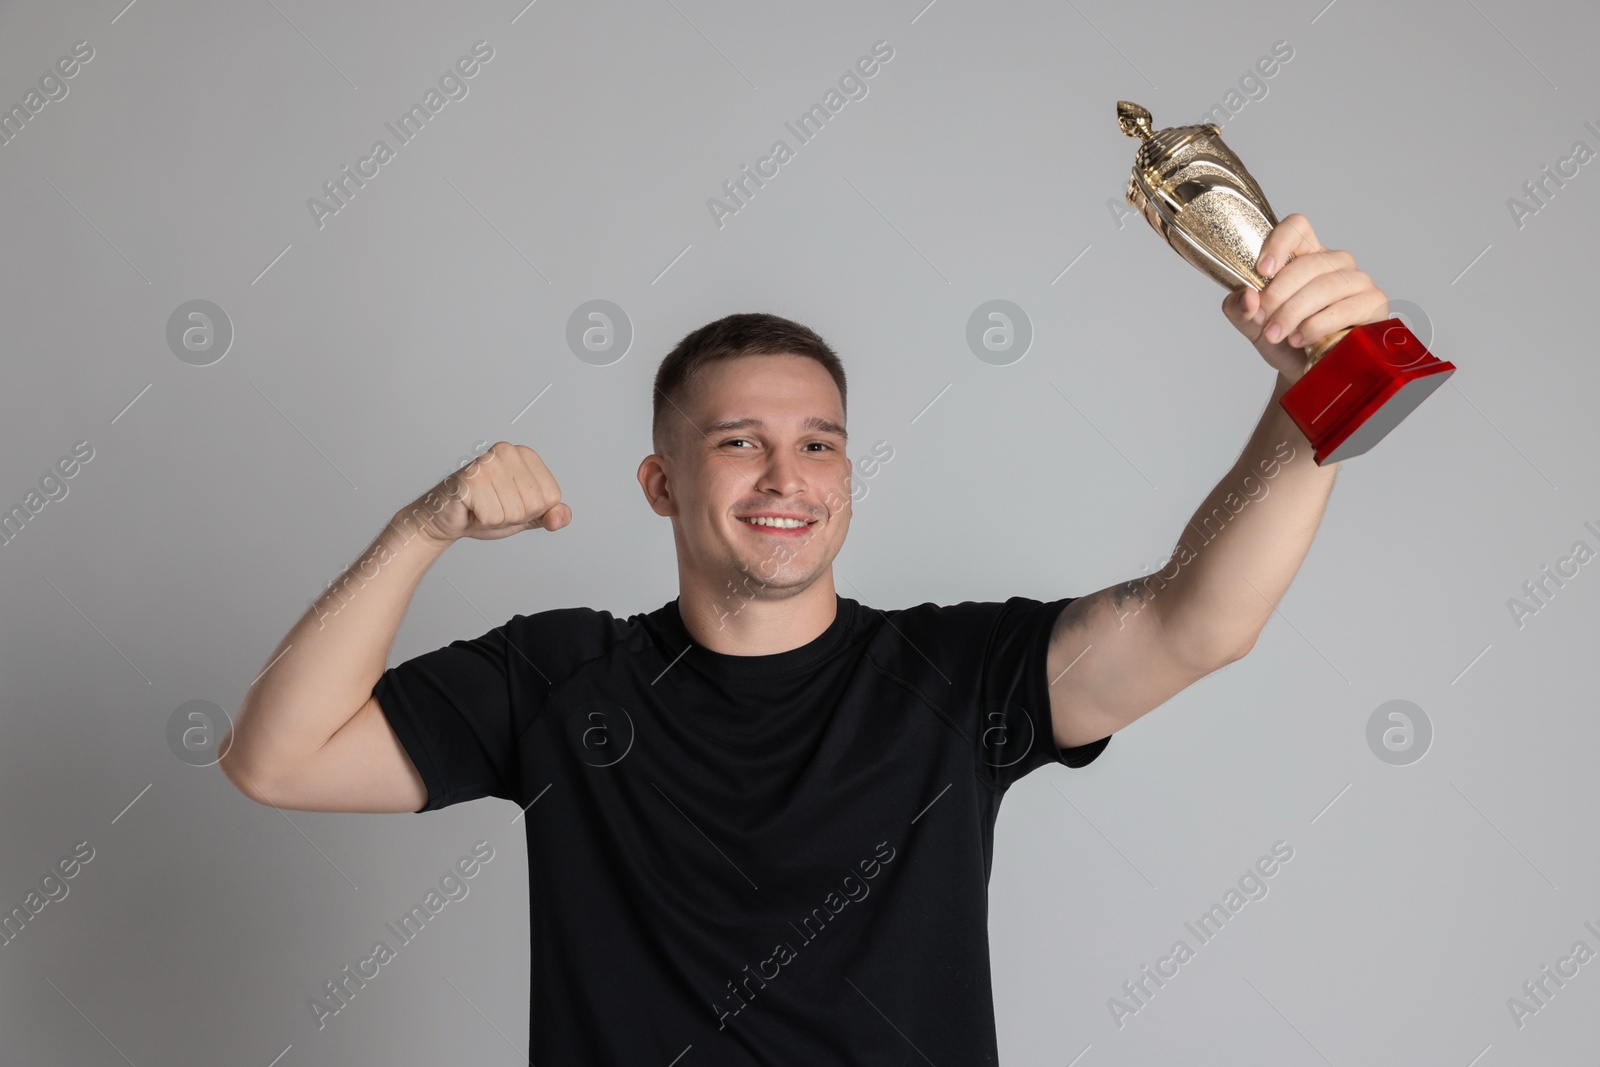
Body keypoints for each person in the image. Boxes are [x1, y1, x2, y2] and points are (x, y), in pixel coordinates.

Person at [219, 214, 1386, 1063]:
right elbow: (277, 756)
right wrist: (424, 526)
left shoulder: (951, 674)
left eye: (820, 443)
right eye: (738, 441)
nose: (787, 474)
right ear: (659, 482)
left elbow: (1200, 619)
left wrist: (1314, 394)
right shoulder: (558, 674)